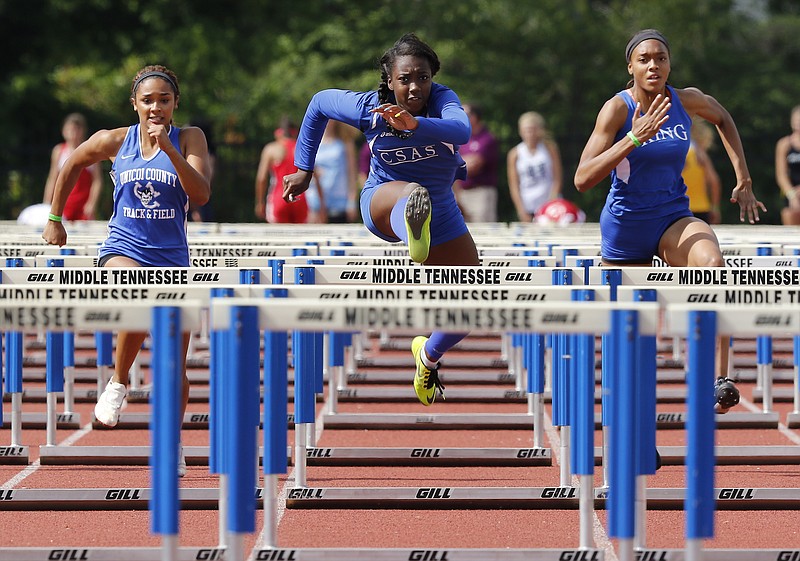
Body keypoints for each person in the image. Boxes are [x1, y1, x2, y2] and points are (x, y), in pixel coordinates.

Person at [574, 29, 766, 415]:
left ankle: (719, 379)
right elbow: (582, 179)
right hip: (626, 229)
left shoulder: (686, 100)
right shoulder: (617, 108)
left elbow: (723, 117)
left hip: (672, 217)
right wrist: (632, 138)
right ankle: (634, 430)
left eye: (660, 58)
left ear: (669, 64)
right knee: (635, 338)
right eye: (644, 59)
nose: (653, 65)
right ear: (630, 66)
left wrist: (742, 176)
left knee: (713, 264)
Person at [283, 32, 479, 406]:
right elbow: (319, 102)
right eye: (404, 79)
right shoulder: (369, 107)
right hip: (383, 203)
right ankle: (410, 223)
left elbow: (462, 130)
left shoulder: (443, 101)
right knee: (410, 192)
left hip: (441, 214)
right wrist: (303, 168)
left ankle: (428, 355)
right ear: (390, 81)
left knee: (474, 306)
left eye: (422, 77)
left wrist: (415, 125)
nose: (414, 87)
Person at [41, 65, 212, 477]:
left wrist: (170, 149)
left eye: (164, 100)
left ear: (175, 104)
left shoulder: (190, 138)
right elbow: (71, 164)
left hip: (172, 256)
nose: (156, 107)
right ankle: (119, 381)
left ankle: (171, 443)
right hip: (124, 248)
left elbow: (202, 194)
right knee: (138, 294)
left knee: (174, 363)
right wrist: (54, 217)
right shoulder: (115, 140)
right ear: (134, 103)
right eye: (148, 100)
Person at [255, 117, 325, 223]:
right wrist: (322, 205)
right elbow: (316, 178)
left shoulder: (271, 149)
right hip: (300, 199)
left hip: (279, 197)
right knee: (299, 237)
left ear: (278, 133)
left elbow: (261, 178)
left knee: (278, 237)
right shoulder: (302, 149)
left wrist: (260, 202)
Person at [42, 113, 104, 221]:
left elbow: (97, 181)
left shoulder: (90, 151)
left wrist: (91, 203)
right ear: (63, 131)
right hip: (63, 204)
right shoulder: (59, 151)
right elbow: (53, 179)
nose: (73, 133)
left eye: (77, 129)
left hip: (83, 206)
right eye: (70, 129)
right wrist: (47, 203)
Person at [506, 111, 563, 222]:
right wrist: (521, 210)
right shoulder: (515, 154)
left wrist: (553, 200)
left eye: (532, 130)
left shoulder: (549, 148)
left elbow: (557, 177)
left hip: (548, 202)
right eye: (526, 130)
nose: (529, 134)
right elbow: (514, 185)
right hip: (528, 203)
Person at [453, 102, 499, 222]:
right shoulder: (461, 138)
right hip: (462, 193)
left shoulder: (487, 139)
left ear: (474, 117)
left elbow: (473, 166)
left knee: (483, 232)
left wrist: (457, 163)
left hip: (481, 193)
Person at [306, 120, 359, 223]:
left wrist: (352, 201)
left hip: (340, 201)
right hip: (315, 200)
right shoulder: (312, 141)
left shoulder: (345, 141)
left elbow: (352, 173)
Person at [683, 117, 721, 224]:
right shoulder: (699, 153)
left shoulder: (670, 152)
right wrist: (715, 207)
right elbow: (714, 181)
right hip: (701, 207)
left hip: (677, 208)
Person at [775, 105, 800, 226]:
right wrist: (792, 195)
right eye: (796, 119)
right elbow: (781, 174)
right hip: (791, 192)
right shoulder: (785, 144)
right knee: (790, 213)